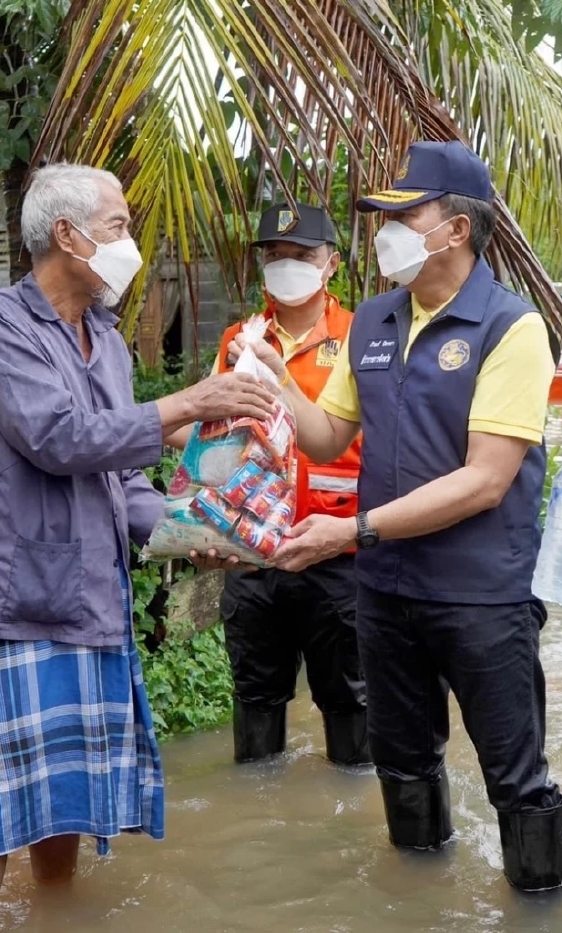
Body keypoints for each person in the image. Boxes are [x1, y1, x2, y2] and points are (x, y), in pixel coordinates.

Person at [0, 163, 277, 933]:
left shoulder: (111, 345)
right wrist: (190, 402)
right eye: (119, 227)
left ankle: (53, 915)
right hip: (16, 596)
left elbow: (122, 479)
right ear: (67, 235)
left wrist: (190, 531)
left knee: (62, 789)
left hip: (91, 592)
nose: (130, 242)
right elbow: (59, 438)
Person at [224, 140, 562, 891]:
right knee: (404, 763)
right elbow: (327, 436)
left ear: (457, 229)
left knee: (516, 776)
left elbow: (485, 481)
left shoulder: (511, 327)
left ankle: (540, 904)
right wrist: (280, 380)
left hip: (479, 593)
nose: (385, 234)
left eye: (404, 218)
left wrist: (353, 531)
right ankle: (418, 898)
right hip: (383, 591)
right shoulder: (375, 319)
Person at [194, 202, 369, 766]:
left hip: (336, 548)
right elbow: (213, 438)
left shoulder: (363, 335)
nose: (285, 264)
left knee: (351, 701)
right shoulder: (238, 340)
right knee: (256, 695)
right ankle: (257, 807)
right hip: (254, 551)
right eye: (274, 254)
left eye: (301, 254)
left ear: (331, 264)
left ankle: (352, 802)